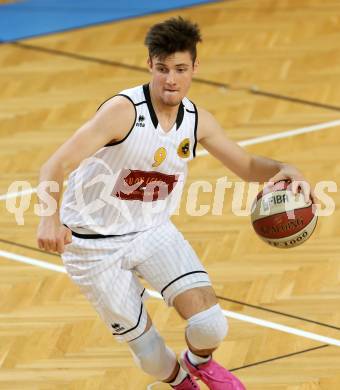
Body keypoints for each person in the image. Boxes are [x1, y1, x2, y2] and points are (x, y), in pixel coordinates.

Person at [37, 17, 313, 390]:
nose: (171, 79)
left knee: (211, 325)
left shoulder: (196, 121)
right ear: (150, 63)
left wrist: (283, 167)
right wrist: (48, 220)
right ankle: (181, 382)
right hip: (91, 244)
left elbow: (246, 166)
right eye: (163, 69)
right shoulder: (123, 112)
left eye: (181, 69)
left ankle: (198, 361)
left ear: (195, 67)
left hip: (152, 231)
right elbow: (55, 164)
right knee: (150, 357)